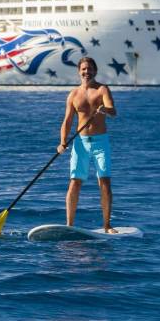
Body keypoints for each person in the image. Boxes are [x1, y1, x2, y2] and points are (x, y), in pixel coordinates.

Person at [58, 57, 118, 232]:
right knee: (74, 182)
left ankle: (107, 225)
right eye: (84, 69)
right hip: (80, 142)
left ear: (95, 71)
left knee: (104, 182)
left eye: (90, 69)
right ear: (79, 71)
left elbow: (113, 112)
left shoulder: (102, 89)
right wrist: (62, 142)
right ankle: (69, 226)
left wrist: (105, 110)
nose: (87, 72)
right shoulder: (73, 94)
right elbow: (67, 121)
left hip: (100, 142)